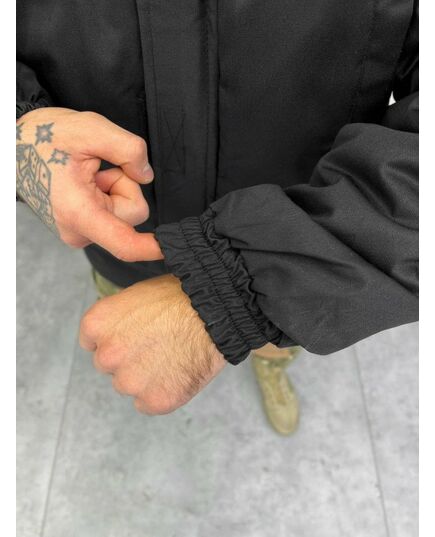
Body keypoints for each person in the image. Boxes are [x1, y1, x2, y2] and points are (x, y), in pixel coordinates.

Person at [16, 1, 418, 435]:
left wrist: (233, 293)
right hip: (116, 223)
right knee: (117, 302)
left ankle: (272, 363)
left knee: (277, 339)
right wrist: (19, 123)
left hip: (296, 228)